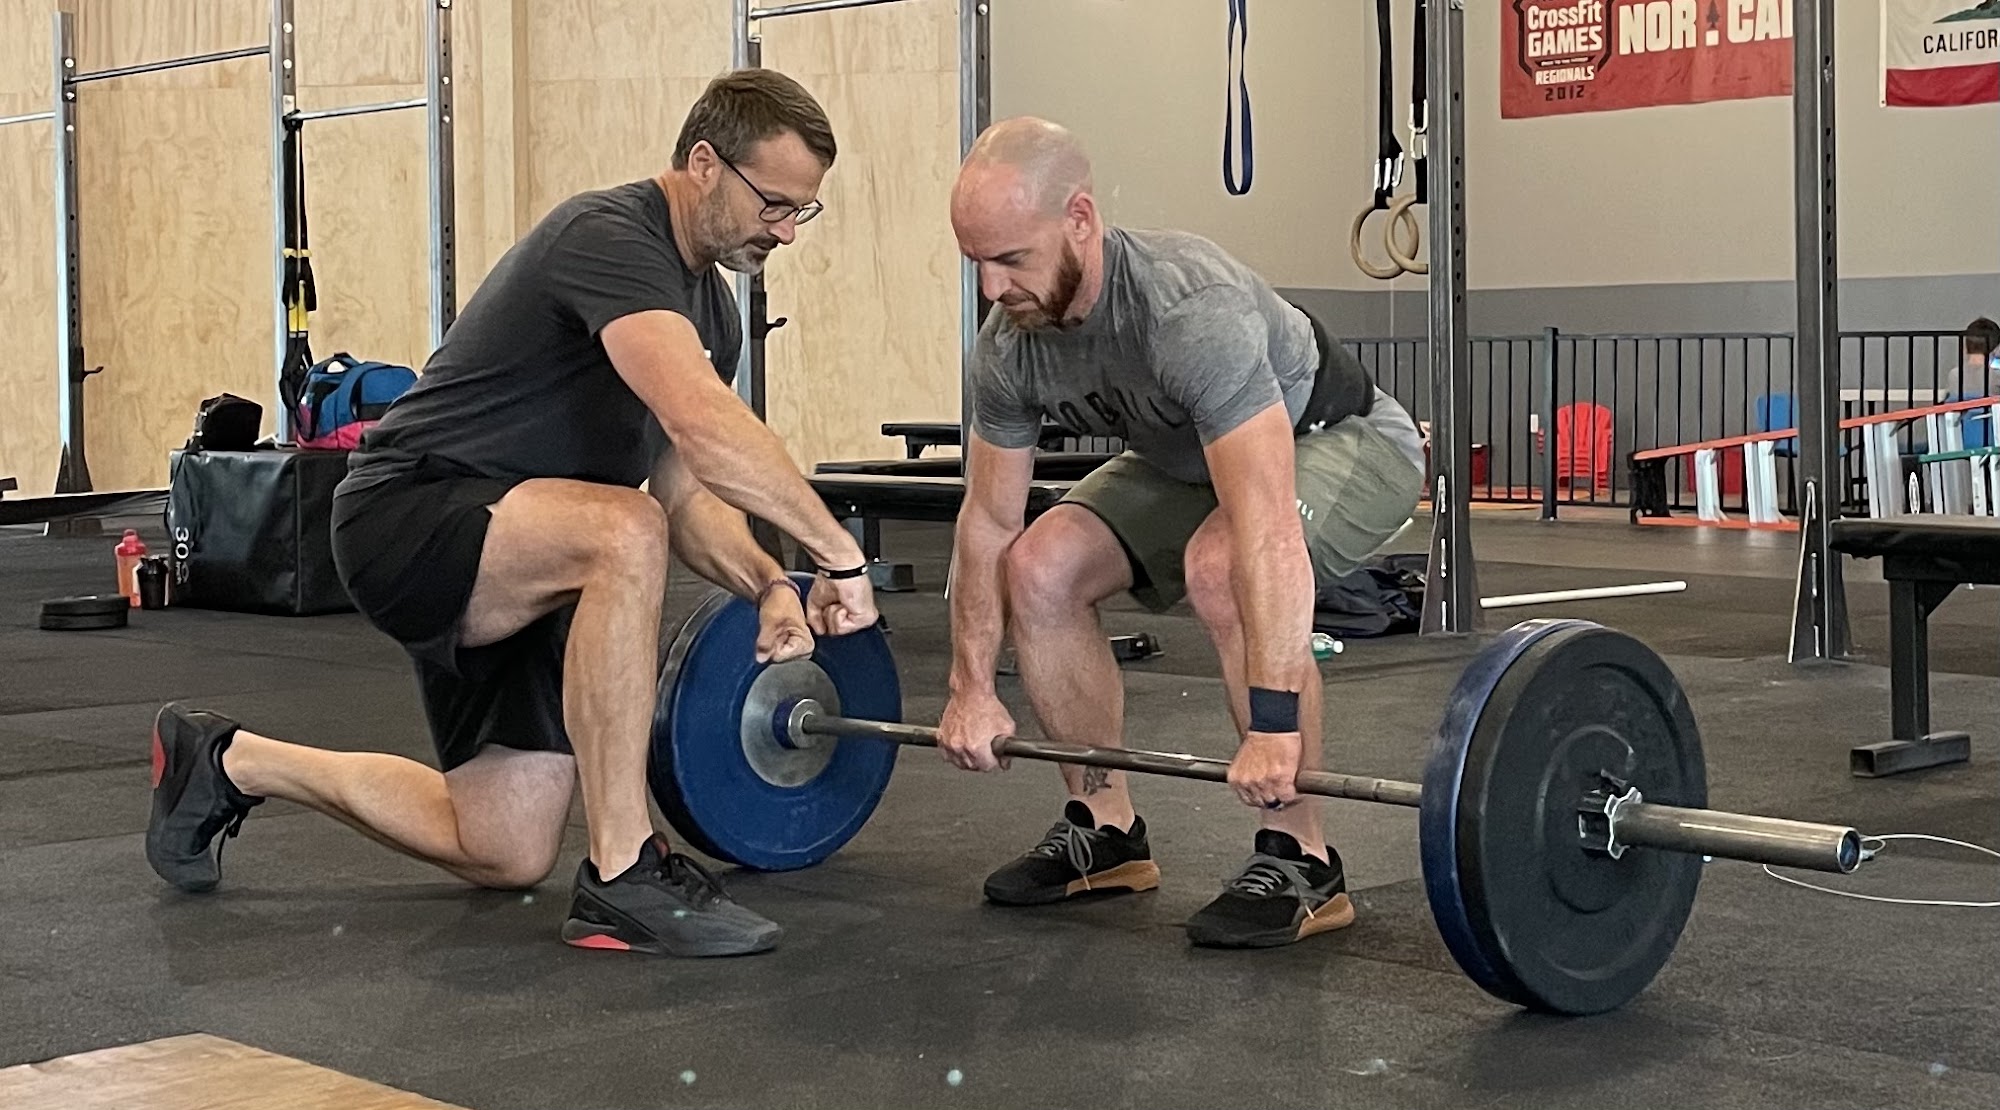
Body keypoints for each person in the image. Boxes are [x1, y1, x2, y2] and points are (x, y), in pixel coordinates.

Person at [144, 68, 880, 958]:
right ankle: (624, 873)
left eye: (803, 211)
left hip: (533, 552)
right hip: (409, 514)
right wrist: (838, 555)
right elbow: (703, 424)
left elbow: (687, 493)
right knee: (624, 529)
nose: (787, 231)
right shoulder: (609, 236)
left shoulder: (710, 316)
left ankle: (226, 760)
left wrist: (770, 583)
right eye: (775, 204)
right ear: (703, 164)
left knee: (503, 846)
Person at [937, 117, 1426, 949]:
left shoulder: (1184, 308)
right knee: (1041, 566)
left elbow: (1265, 525)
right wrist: (970, 688)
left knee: (1220, 562)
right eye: (975, 262)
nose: (991, 287)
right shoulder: (1009, 348)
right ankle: (1105, 832)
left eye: (1011, 258)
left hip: (1343, 439)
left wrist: (1274, 724)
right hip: (1188, 456)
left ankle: (1302, 856)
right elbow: (988, 520)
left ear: (1080, 219)